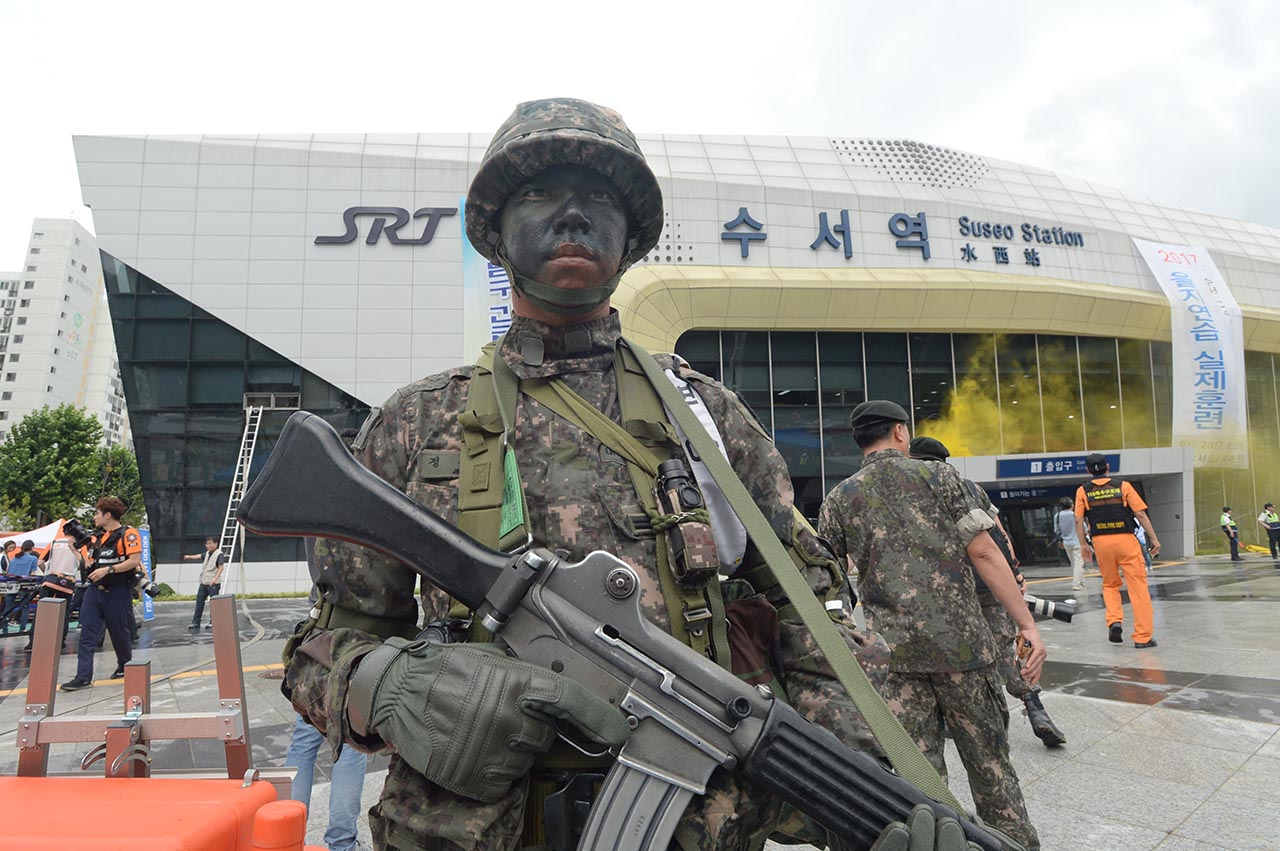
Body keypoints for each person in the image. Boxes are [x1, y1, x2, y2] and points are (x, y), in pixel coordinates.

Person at [282, 98, 910, 851]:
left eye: (600, 198)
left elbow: (815, 623)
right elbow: (323, 647)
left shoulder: (707, 419)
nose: (572, 215)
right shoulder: (415, 422)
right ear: (496, 231)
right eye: (541, 195)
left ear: (630, 235)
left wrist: (864, 797)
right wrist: (382, 686)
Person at [820, 404, 1044, 851]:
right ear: (900, 431)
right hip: (964, 652)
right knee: (992, 772)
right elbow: (985, 552)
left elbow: (831, 580)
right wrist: (1026, 625)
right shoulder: (941, 478)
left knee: (919, 782)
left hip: (896, 663)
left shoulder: (840, 498)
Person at [908, 436, 1066, 750]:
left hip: (952, 589)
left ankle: (970, 719)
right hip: (991, 582)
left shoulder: (914, 490)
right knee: (1007, 647)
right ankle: (1035, 707)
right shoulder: (969, 487)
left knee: (958, 650)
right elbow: (998, 533)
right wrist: (1015, 572)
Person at [1075, 455, 1162, 648]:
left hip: (1100, 542)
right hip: (1126, 540)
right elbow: (1139, 513)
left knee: (1110, 584)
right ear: (1107, 467)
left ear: (1088, 471)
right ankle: (1142, 637)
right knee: (1137, 587)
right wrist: (1154, 538)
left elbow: (1079, 520)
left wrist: (1083, 545)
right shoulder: (1123, 486)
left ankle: (1114, 620)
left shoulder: (1083, 490)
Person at [60, 496, 142, 690]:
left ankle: (124, 665)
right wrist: (75, 551)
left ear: (107, 515)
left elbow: (134, 560)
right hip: (94, 591)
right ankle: (83, 676)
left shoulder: (128, 533)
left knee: (118, 632)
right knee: (87, 632)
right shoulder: (97, 538)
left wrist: (109, 570)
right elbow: (89, 564)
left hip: (117, 591)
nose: (95, 517)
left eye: (97, 513)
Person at [183, 537, 226, 630]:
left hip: (213, 583)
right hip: (204, 582)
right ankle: (196, 622)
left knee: (213, 604)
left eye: (210, 543)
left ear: (216, 544)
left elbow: (221, 567)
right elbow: (199, 556)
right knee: (199, 602)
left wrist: (215, 579)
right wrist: (189, 557)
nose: (208, 545)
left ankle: (213, 622)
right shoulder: (207, 553)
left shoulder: (219, 554)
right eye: (207, 544)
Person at [1054, 496, 1086, 591]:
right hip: (1077, 541)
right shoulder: (1075, 514)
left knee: (1074, 563)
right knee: (1079, 563)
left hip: (1066, 542)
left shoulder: (1057, 516)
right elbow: (1083, 527)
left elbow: (1056, 530)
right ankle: (1076, 584)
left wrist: (1060, 540)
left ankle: (1081, 581)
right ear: (1072, 505)